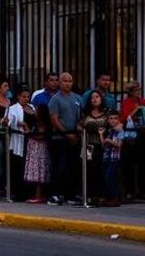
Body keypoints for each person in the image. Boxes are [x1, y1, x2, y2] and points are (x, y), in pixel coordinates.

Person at [48, 72, 82, 206]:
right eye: (65, 81)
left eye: (70, 81)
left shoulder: (77, 98)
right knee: (59, 166)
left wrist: (78, 128)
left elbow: (81, 116)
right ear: (60, 83)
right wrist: (67, 133)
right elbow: (54, 119)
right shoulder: (55, 99)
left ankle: (71, 194)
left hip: (75, 137)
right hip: (59, 138)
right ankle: (54, 194)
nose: (68, 83)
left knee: (73, 166)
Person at [119, 81, 145, 200]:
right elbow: (126, 117)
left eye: (139, 90)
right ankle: (129, 190)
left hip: (142, 133)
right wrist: (136, 109)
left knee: (143, 164)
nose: (138, 92)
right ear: (130, 92)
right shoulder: (126, 103)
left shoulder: (144, 102)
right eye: (136, 90)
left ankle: (143, 190)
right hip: (130, 134)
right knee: (129, 164)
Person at [79, 90, 108, 205]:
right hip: (88, 145)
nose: (94, 99)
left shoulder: (106, 114)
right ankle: (89, 194)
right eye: (92, 98)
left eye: (97, 97)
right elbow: (80, 125)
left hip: (101, 145)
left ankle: (101, 194)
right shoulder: (86, 114)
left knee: (100, 169)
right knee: (89, 170)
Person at [4, 85, 33, 201]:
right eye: (23, 96)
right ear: (18, 97)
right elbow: (7, 121)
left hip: (31, 140)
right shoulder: (12, 108)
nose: (26, 99)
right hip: (18, 140)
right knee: (18, 167)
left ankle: (28, 192)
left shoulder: (32, 107)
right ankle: (17, 192)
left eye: (28, 96)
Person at [24, 95, 51, 204]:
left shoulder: (41, 124)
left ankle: (39, 195)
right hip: (35, 148)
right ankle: (38, 194)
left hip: (39, 150)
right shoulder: (38, 122)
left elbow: (40, 136)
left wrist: (29, 132)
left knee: (39, 172)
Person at [100, 110, 124, 207]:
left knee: (110, 177)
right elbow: (103, 145)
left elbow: (119, 145)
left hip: (114, 158)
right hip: (107, 157)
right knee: (107, 178)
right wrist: (101, 134)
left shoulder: (120, 131)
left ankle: (115, 197)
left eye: (115, 118)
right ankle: (109, 197)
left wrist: (109, 140)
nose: (113, 121)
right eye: (111, 118)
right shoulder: (109, 131)